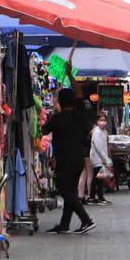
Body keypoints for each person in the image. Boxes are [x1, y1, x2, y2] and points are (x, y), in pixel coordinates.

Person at [42, 88, 95, 234]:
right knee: (70, 190)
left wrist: (54, 112)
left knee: (64, 189)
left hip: (65, 159)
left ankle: (86, 219)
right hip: (79, 159)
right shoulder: (81, 116)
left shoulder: (58, 118)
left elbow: (44, 130)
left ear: (60, 101)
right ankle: (64, 224)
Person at [89, 113, 113, 206]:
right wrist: (104, 158)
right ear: (97, 121)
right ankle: (100, 198)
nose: (103, 122)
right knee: (99, 179)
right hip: (97, 158)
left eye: (104, 120)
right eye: (101, 120)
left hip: (100, 158)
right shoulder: (97, 132)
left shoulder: (103, 131)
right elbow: (98, 146)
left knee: (96, 178)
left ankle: (92, 197)